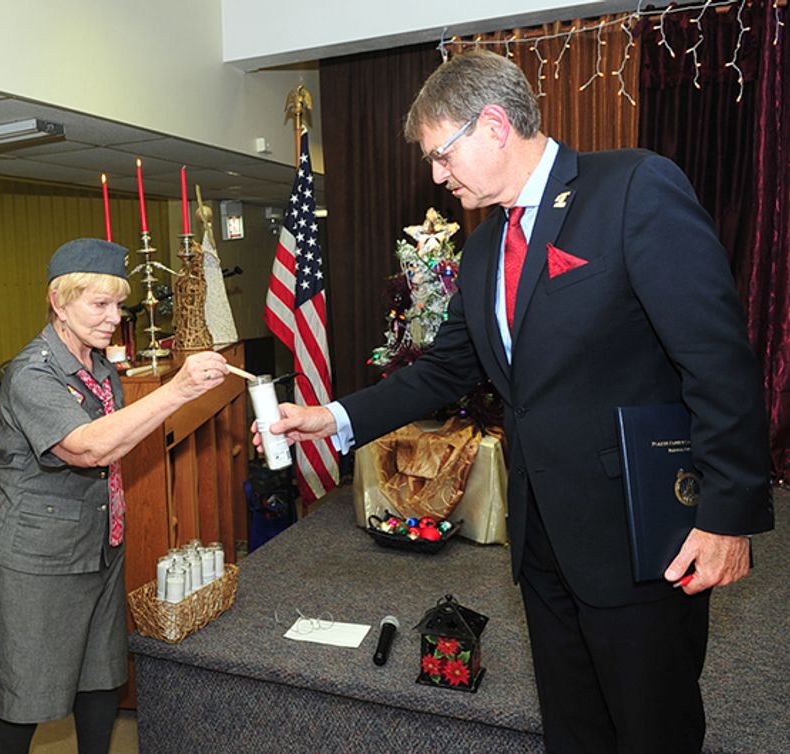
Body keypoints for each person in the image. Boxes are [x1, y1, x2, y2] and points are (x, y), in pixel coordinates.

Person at [257, 50, 774, 754]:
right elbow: (443, 372)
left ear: (494, 125)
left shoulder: (631, 188)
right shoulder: (482, 251)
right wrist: (331, 418)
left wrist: (726, 516)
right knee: (574, 724)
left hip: (639, 531)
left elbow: (716, 360)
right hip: (541, 540)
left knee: (654, 724)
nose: (437, 176)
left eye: (442, 154)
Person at [0, 238, 230, 754]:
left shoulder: (100, 368)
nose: (115, 316)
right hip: (36, 558)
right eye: (100, 304)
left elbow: (120, 439)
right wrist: (179, 390)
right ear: (59, 302)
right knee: (24, 690)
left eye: (119, 304)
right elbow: (88, 448)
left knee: (101, 674)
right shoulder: (32, 373)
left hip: (98, 544)